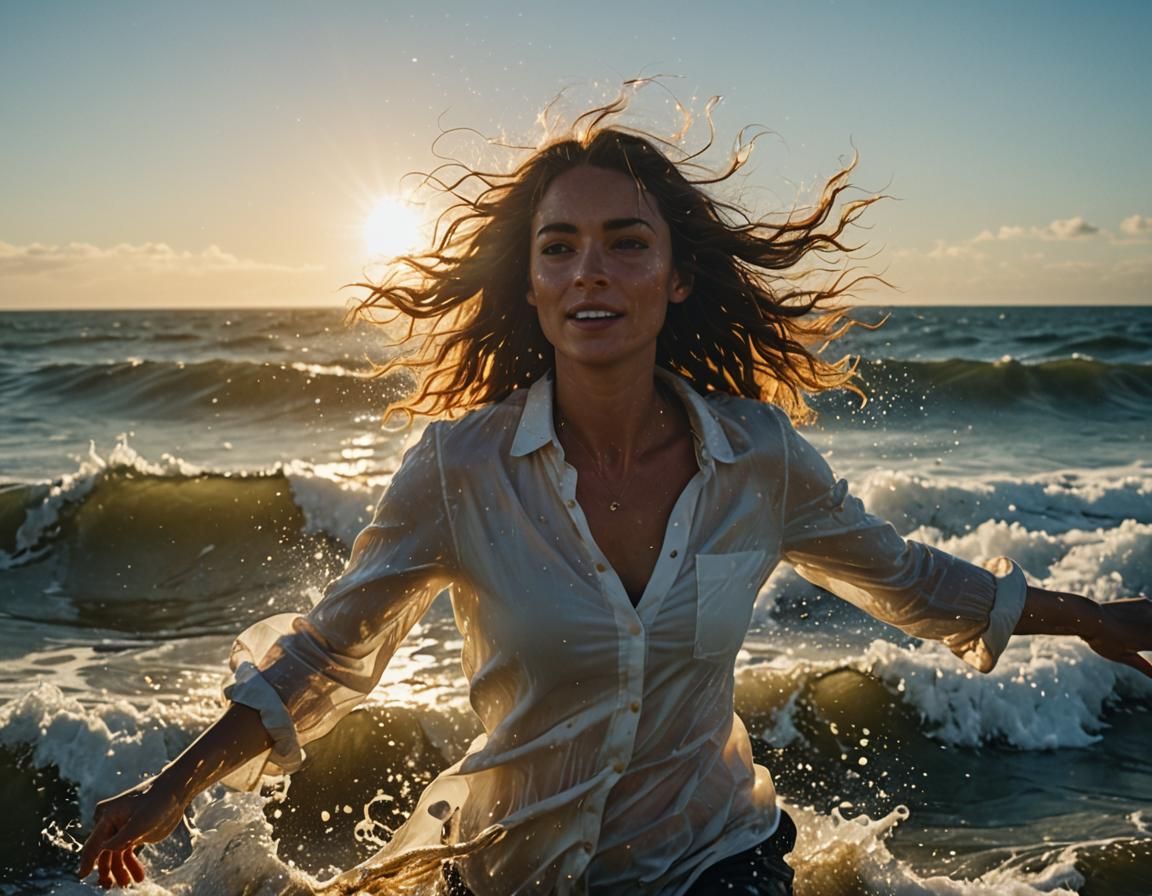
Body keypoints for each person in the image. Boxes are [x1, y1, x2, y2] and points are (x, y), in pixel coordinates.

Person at [77, 96, 1152, 895]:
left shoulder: (758, 457)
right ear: (534, 284)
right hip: (512, 870)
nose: (591, 268)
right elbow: (327, 656)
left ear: (676, 277)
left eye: (625, 242)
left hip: (718, 863)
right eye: (561, 247)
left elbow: (909, 580)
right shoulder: (461, 470)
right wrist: (169, 788)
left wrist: (1093, 617)